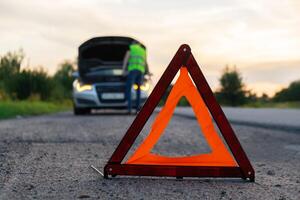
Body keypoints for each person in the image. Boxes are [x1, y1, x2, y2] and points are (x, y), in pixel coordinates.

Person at [123, 42, 147, 114]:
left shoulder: (131, 48)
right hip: (140, 71)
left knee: (129, 88)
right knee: (138, 89)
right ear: (139, 44)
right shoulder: (143, 51)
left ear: (133, 43)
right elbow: (145, 63)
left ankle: (129, 109)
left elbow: (126, 59)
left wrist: (123, 69)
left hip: (132, 70)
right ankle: (137, 109)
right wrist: (148, 72)